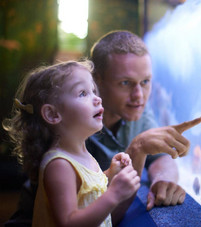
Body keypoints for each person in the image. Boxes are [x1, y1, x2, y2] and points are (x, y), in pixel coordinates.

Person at [3, 60, 141, 226]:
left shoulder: (81, 154)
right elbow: (69, 222)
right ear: (53, 114)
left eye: (93, 91)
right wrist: (114, 194)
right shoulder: (59, 165)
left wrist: (109, 175)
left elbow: (86, 192)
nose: (97, 99)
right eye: (83, 93)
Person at [88, 30, 201, 223]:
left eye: (145, 82)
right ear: (97, 80)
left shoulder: (136, 107)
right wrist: (137, 148)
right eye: (125, 83)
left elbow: (160, 159)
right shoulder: (73, 121)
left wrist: (162, 181)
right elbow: (97, 220)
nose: (139, 95)